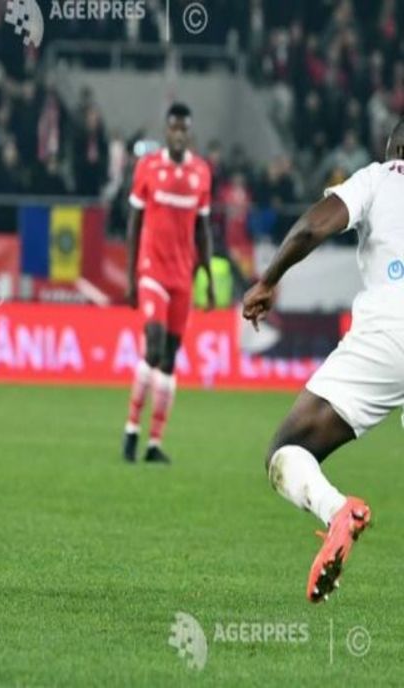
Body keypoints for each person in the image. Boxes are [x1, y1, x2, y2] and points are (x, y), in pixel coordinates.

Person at [241, 121, 404, 602]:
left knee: (287, 449)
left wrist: (269, 279)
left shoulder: (379, 177)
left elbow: (314, 225)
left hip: (391, 332)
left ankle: (338, 512)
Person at [122, 103, 214, 464]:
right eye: (173, 127)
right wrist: (131, 276)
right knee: (155, 344)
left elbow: (203, 230)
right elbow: (133, 223)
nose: (178, 133)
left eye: (183, 129)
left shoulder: (201, 173)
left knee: (170, 358)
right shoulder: (148, 167)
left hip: (182, 275)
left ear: (189, 133)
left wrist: (206, 277)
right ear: (166, 130)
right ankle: (131, 429)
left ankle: (154, 442)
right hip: (151, 271)